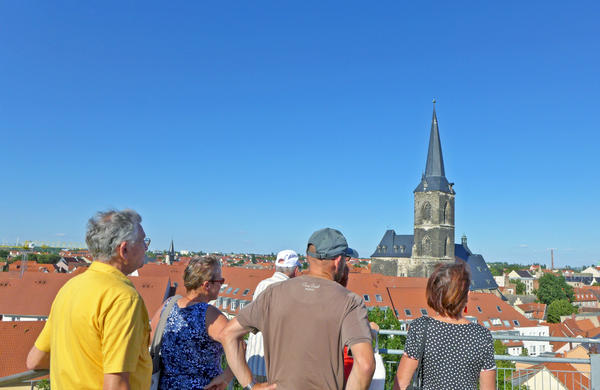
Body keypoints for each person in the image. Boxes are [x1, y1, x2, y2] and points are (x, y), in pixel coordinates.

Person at [221, 227, 375, 390]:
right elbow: (365, 365)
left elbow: (227, 334)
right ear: (338, 261)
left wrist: (251, 386)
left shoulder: (273, 293)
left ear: (308, 257)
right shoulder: (350, 302)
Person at [26, 209, 152, 389]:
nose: (146, 248)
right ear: (124, 249)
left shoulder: (70, 287)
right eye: (143, 241)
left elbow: (35, 361)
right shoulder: (123, 298)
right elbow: (115, 385)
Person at [392, 261, 496, 390]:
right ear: (466, 296)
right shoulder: (482, 335)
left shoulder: (420, 327)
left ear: (435, 293)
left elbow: (401, 383)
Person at [150, 255, 234, 390]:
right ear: (207, 285)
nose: (222, 284)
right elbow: (239, 345)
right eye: (220, 280)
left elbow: (150, 339)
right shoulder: (210, 315)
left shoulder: (168, 305)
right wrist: (226, 377)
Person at [245, 249, 301, 383]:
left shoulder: (262, 285)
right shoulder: (293, 289)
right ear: (295, 269)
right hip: (276, 368)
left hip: (254, 362)